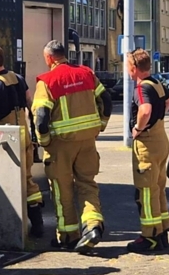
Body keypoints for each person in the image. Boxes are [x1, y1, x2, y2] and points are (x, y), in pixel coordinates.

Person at [32, 40, 112, 252]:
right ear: (64, 55)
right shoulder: (86, 73)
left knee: (62, 190)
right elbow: (106, 99)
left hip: (61, 145)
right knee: (87, 184)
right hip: (87, 142)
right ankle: (93, 225)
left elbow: (41, 119)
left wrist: (44, 142)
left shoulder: (47, 81)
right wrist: (101, 126)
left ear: (49, 58)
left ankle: (67, 235)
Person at [0, 44, 44, 239]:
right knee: (27, 178)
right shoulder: (19, 79)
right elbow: (29, 102)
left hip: (3, 140)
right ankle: (37, 223)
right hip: (23, 135)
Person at [126, 49, 169, 253]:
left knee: (146, 190)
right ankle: (162, 230)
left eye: (127, 66)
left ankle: (149, 236)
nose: (127, 70)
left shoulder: (141, 88)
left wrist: (138, 128)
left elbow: (145, 110)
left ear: (134, 68)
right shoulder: (157, 82)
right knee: (159, 187)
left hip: (147, 144)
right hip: (161, 140)